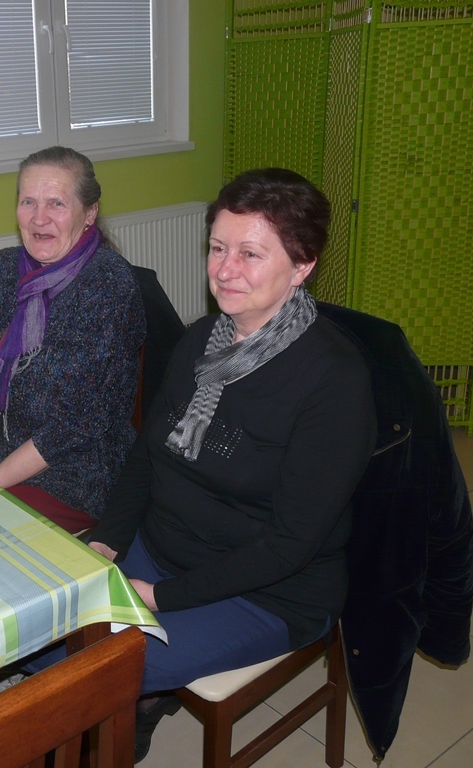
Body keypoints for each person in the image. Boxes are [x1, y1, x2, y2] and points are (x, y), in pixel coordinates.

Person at [87, 168, 377, 760]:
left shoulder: (334, 382)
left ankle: (124, 716)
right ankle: (136, 710)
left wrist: (160, 597)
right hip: (162, 548)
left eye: (250, 253)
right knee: (46, 633)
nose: (224, 269)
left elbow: (288, 546)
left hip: (268, 591)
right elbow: (147, 455)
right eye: (218, 248)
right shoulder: (202, 340)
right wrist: (106, 542)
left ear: (302, 266)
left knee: (90, 671)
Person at [0, 146, 146, 534]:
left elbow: (75, 425)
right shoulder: (0, 270)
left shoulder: (107, 286)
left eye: (56, 204)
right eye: (28, 201)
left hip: (68, 477)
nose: (39, 218)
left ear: (90, 213)